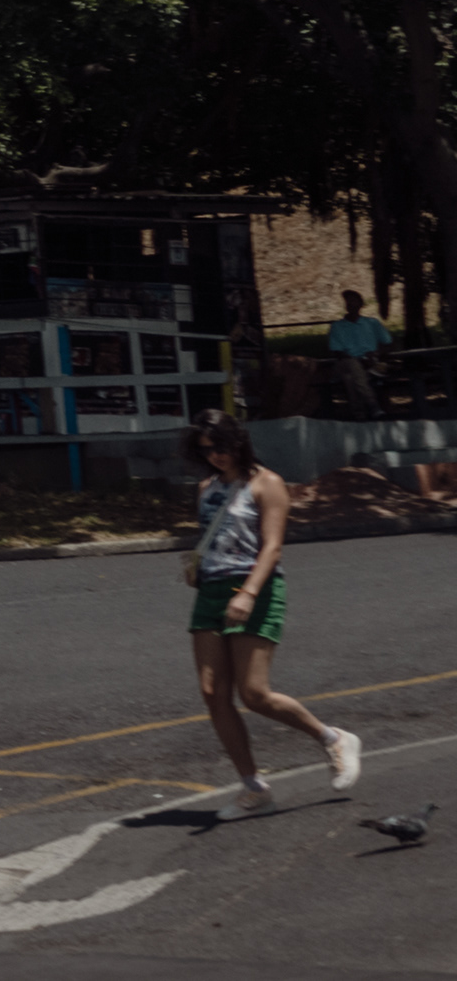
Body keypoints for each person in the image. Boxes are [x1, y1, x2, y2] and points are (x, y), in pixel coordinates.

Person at [181, 410, 361, 808]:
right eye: (207, 450)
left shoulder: (268, 483)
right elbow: (218, 538)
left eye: (222, 447)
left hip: (255, 588)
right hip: (211, 590)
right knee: (212, 692)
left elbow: (272, 547)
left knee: (255, 693)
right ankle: (252, 785)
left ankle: (333, 739)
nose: (216, 456)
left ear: (239, 441)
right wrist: (196, 565)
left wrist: (247, 592)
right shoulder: (206, 487)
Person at [327, 290, 391, 416]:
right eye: (348, 302)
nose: (350, 304)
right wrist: (358, 361)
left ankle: (359, 413)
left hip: (370, 363)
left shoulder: (372, 323)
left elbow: (387, 343)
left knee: (350, 378)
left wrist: (375, 354)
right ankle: (373, 404)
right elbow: (337, 352)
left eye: (353, 301)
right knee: (352, 365)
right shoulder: (337, 326)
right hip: (348, 362)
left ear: (361, 304)